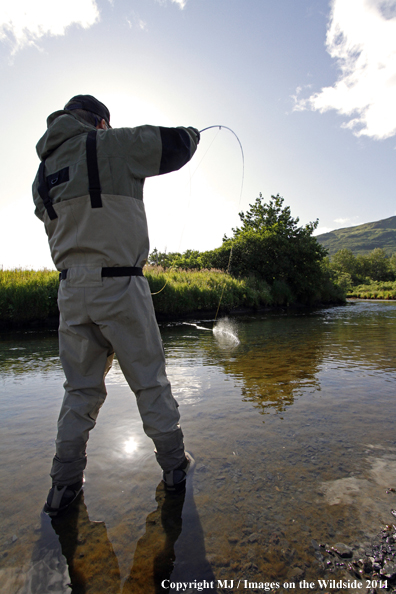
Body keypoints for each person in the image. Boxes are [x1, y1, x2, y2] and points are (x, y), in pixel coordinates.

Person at [32, 94, 200, 516]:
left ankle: (63, 485)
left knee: (79, 391)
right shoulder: (110, 144)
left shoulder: (42, 174)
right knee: (150, 382)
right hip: (120, 285)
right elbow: (176, 145)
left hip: (70, 292)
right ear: (99, 122)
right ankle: (175, 468)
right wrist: (197, 134)